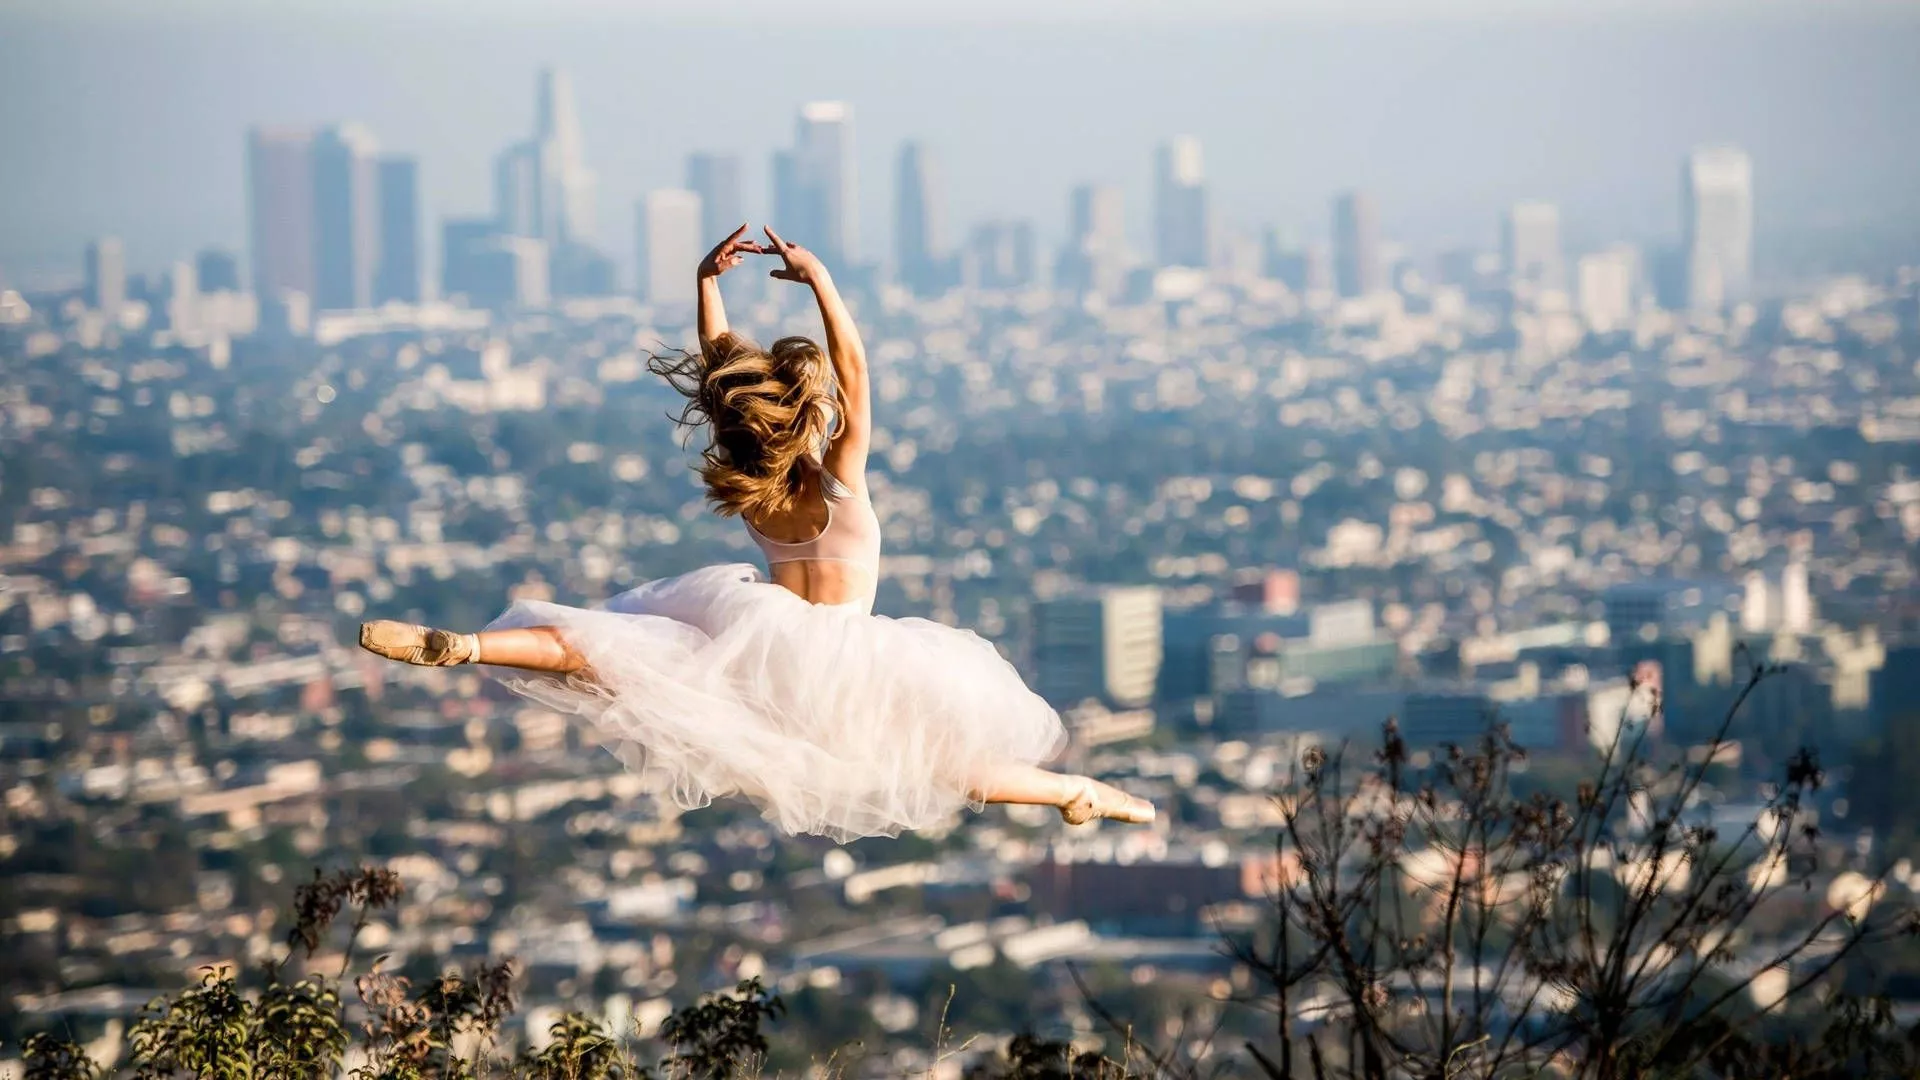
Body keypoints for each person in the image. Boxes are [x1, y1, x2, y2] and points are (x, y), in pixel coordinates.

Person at [359, 225, 1154, 841]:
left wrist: (706, 285)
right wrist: (823, 282)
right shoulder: (836, 481)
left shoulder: (753, 493)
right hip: (847, 659)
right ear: (802, 417)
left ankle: (467, 645)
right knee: (943, 764)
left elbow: (718, 380)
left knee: (598, 650)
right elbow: (857, 369)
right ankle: (1075, 792)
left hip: (760, 643)